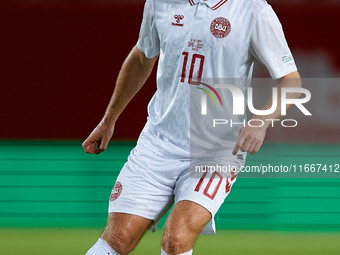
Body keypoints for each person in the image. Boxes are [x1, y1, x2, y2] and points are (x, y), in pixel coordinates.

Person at [83, 0, 302, 254]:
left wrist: (260, 121)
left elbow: (291, 81)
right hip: (157, 144)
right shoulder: (158, 3)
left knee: (176, 239)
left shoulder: (253, 10)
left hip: (217, 151)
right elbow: (143, 58)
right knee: (117, 239)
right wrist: (109, 120)